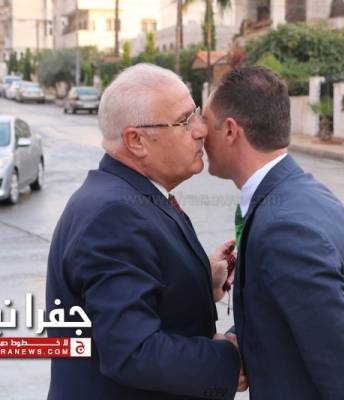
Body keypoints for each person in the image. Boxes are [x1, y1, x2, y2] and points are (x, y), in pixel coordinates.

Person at [203, 66, 344, 400]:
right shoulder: (302, 193)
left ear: (230, 130)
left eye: (204, 123)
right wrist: (238, 341)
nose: (198, 135)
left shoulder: (284, 228)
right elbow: (297, 317)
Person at [46, 63, 244, 400]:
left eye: (196, 113)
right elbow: (132, 351)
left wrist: (202, 279)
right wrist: (228, 360)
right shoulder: (114, 216)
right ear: (136, 141)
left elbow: (142, 288)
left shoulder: (130, 195)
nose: (201, 130)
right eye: (184, 121)